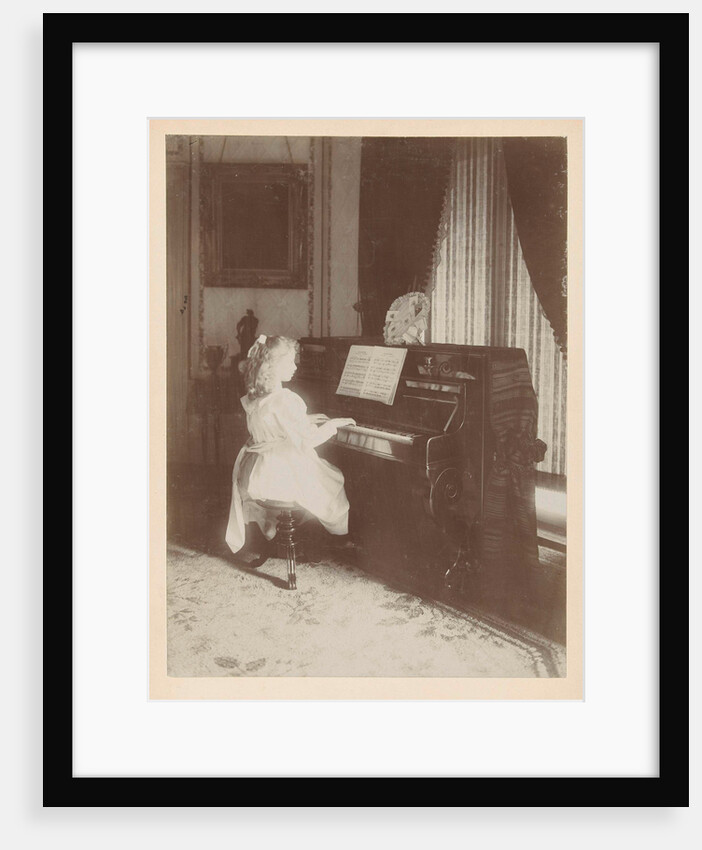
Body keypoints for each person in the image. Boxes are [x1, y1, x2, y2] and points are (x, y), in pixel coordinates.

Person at [225, 334, 355, 555]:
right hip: (281, 473)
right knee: (333, 483)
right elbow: (308, 441)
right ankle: (340, 542)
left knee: (318, 482)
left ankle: (271, 522)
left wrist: (307, 419)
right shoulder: (287, 399)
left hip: (256, 470)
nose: (295, 367)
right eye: (290, 362)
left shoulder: (256, 397)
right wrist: (333, 425)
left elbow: (276, 424)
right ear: (272, 366)